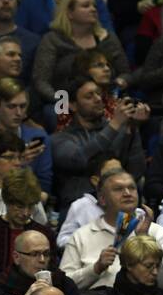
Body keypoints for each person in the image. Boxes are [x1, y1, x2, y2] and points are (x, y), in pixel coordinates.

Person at [60, 168, 163, 295]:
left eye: (132, 188)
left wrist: (145, 239)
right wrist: (95, 268)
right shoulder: (81, 236)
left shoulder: (157, 232)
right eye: (118, 189)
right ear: (102, 198)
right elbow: (63, 285)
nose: (127, 193)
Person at [50, 80, 147, 217]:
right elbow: (80, 160)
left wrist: (133, 129)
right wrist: (116, 123)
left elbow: (136, 171)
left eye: (99, 94)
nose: (98, 99)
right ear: (72, 105)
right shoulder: (60, 139)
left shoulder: (119, 129)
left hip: (121, 213)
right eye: (89, 96)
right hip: (81, 214)